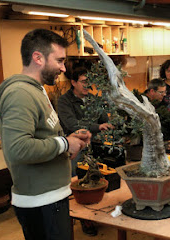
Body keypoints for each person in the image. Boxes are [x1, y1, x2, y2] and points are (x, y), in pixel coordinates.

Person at [0, 29, 91, 240]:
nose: (63, 68)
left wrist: (72, 140)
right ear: (38, 58)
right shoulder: (20, 93)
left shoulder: (36, 89)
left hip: (51, 197)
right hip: (40, 202)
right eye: (59, 60)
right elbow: (18, 149)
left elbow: (44, 136)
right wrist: (65, 144)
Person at [57, 67, 114, 236]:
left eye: (90, 82)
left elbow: (105, 119)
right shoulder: (64, 101)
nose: (87, 86)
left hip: (96, 144)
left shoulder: (93, 99)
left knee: (101, 177)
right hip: (77, 147)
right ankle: (83, 219)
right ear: (73, 82)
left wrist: (109, 123)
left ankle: (100, 212)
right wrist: (96, 127)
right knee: (79, 181)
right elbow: (71, 125)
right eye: (84, 82)